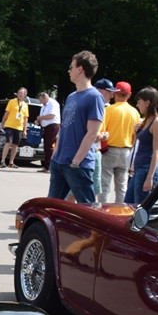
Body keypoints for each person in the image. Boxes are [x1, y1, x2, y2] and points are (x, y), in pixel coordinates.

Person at [47, 51, 104, 203]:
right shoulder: (72, 96)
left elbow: (92, 133)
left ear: (80, 69)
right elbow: (64, 127)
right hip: (59, 161)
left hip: (77, 165)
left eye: (71, 67)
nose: (69, 70)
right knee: (52, 207)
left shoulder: (95, 97)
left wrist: (76, 161)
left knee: (87, 209)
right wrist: (56, 154)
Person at [97, 80, 139, 203]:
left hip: (109, 150)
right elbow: (135, 136)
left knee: (104, 185)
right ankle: (120, 213)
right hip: (126, 152)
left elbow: (101, 131)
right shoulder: (135, 112)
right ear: (129, 95)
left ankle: (103, 212)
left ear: (115, 93)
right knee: (122, 188)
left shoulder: (109, 110)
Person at [125, 87, 158, 204]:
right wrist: (136, 132)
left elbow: (156, 151)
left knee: (140, 207)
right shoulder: (146, 120)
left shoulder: (157, 121)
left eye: (139, 101)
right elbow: (139, 144)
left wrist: (150, 177)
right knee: (128, 204)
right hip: (139, 169)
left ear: (148, 102)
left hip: (147, 169)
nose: (137, 104)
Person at [91, 79, 115, 198]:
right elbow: (90, 134)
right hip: (90, 152)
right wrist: (100, 137)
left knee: (93, 189)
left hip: (96, 151)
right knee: (86, 190)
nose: (112, 95)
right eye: (109, 91)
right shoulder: (93, 106)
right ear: (99, 91)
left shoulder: (104, 107)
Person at [0, 87, 29, 168]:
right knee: (8, 142)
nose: (20, 94)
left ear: (25, 95)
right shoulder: (12, 102)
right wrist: (2, 123)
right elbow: (6, 113)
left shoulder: (25, 105)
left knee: (15, 145)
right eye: (19, 92)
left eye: (22, 93)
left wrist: (24, 130)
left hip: (19, 127)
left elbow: (25, 118)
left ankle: (11, 162)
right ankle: (2, 161)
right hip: (10, 125)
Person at [35, 90, 60, 173]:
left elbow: (52, 116)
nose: (41, 102)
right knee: (46, 147)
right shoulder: (44, 105)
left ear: (45, 98)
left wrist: (41, 118)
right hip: (46, 127)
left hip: (53, 126)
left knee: (49, 146)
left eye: (41, 100)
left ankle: (49, 167)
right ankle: (46, 166)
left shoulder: (53, 103)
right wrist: (38, 120)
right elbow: (42, 116)